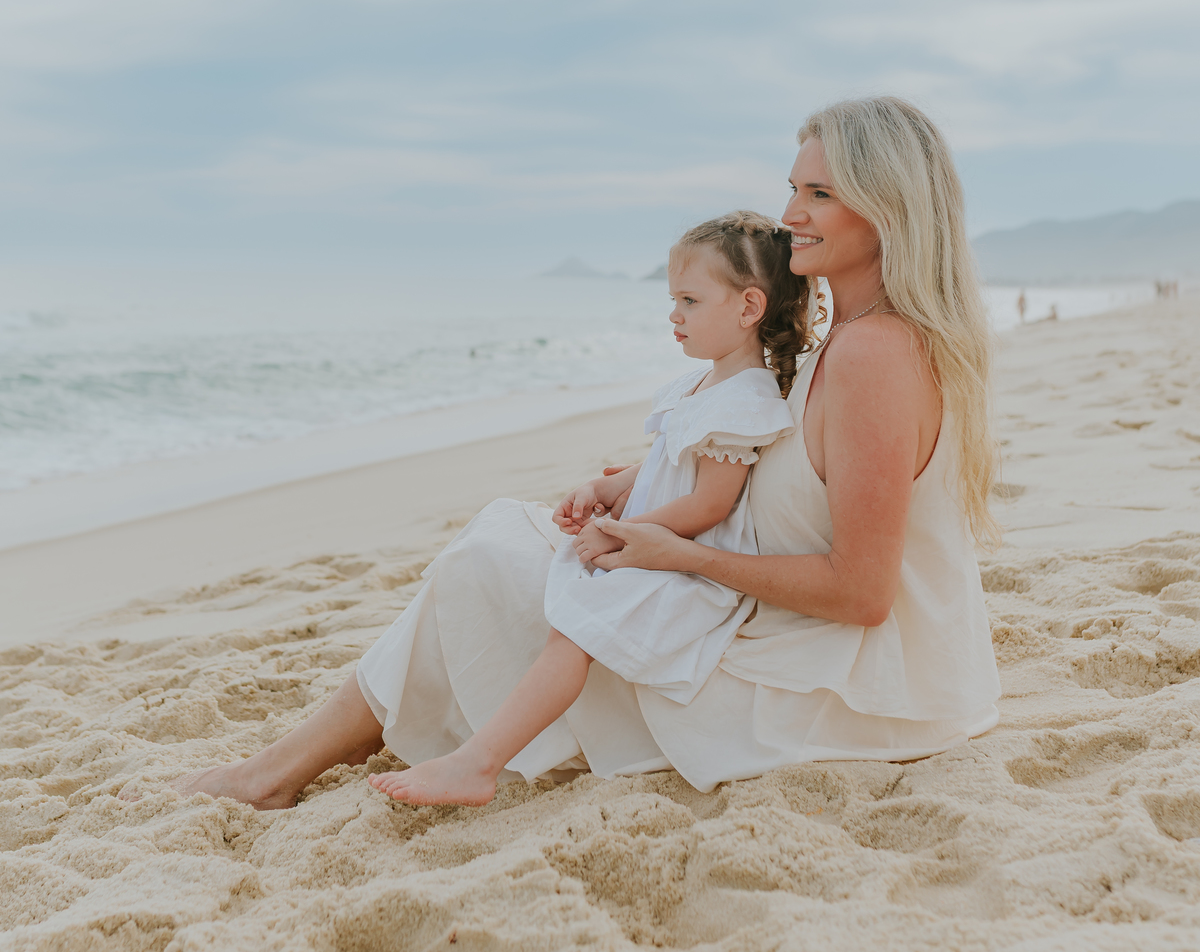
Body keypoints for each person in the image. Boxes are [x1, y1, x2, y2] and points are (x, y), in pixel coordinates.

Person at [166, 95, 1001, 811]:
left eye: (821, 194)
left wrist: (679, 555)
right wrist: (639, 483)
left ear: (886, 206)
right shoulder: (842, 341)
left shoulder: (873, 355)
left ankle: (281, 771)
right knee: (504, 550)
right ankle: (296, 761)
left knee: (487, 563)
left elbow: (861, 592)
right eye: (793, 188)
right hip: (824, 656)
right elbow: (777, 467)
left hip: (851, 691)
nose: (790, 216)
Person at [365, 212, 802, 806]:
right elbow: (668, 463)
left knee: (571, 633)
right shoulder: (703, 386)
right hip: (654, 544)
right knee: (548, 598)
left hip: (686, 567)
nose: (674, 314)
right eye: (674, 299)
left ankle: (478, 763)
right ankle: (476, 746)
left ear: (749, 307)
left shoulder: (744, 400)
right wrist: (608, 488)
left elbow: (707, 504)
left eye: (690, 300)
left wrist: (622, 530)